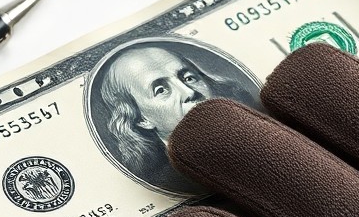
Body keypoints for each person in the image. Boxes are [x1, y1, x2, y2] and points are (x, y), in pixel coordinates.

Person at [98, 45, 255, 193]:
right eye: (161, 90)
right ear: (141, 119)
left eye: (189, 78)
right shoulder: (170, 182)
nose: (189, 92)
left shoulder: (253, 129)